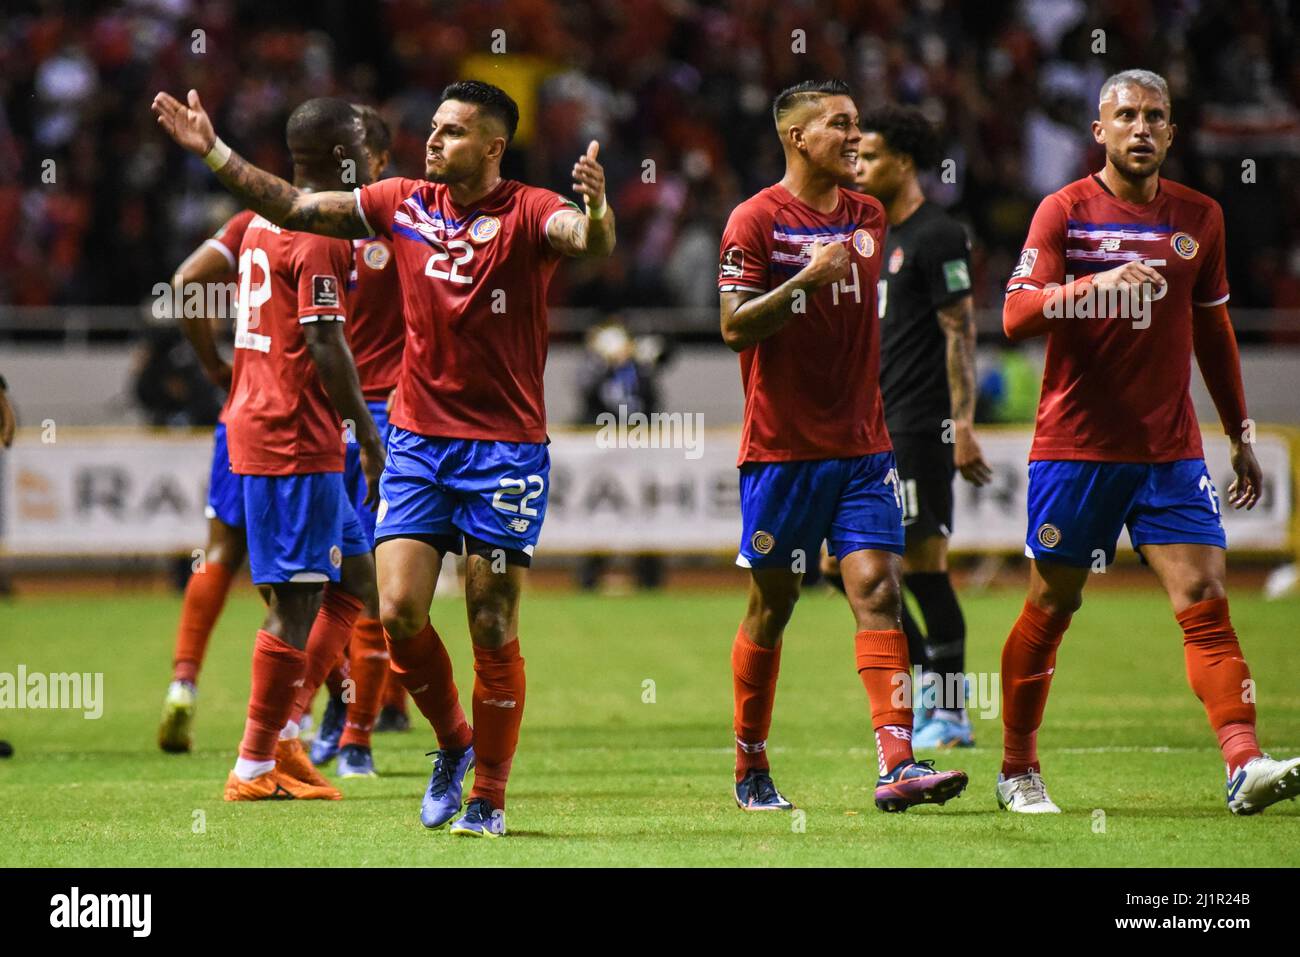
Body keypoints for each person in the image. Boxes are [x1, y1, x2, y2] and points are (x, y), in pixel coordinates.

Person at [153, 79, 615, 835]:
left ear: (493, 147)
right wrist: (212, 148)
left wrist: (598, 208)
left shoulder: (528, 210)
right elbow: (298, 208)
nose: (434, 140)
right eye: (434, 126)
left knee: (491, 622)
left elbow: (588, 240)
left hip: (503, 452)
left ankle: (488, 798)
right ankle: (453, 743)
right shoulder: (403, 200)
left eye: (454, 131)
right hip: (417, 441)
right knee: (397, 612)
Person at [997, 69, 1299, 815]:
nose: (1139, 128)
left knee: (1204, 594)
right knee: (1052, 601)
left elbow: (1213, 330)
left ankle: (1243, 760)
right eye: (1124, 115)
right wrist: (1091, 289)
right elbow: (1014, 315)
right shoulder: (1062, 211)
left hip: (1170, 451)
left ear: (1170, 131)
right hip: (1076, 447)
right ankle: (1017, 767)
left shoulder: (1201, 216)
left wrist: (1238, 432)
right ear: (1098, 130)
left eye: (1153, 116)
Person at [717, 79, 968, 814]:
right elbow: (733, 326)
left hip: (864, 447)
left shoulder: (868, 214)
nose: (855, 137)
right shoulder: (754, 219)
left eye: (858, 125)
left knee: (880, 590)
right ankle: (751, 763)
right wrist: (804, 280)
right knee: (773, 606)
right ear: (796, 137)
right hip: (782, 450)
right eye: (839, 125)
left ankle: (897, 761)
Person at [159, 95, 385, 801]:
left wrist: (225, 370)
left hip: (270, 420)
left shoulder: (261, 221)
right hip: (293, 431)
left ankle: (285, 733)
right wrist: (368, 432)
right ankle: (254, 763)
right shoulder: (317, 232)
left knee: (356, 581)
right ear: (341, 156)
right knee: (295, 600)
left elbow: (191, 282)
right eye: (361, 145)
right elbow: (324, 339)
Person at [849, 105, 991, 749]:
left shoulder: (936, 234)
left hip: (916, 426)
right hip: (866, 428)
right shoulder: (871, 235)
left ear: (903, 162)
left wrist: (961, 423)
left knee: (924, 567)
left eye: (869, 156)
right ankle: (928, 686)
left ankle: (950, 709)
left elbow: (960, 330)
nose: (857, 165)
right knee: (836, 564)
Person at [303, 103, 406, 779]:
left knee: (370, 581)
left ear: (378, 162)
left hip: (391, 419)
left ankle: (358, 735)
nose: (348, 160)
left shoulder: (410, 226)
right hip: (320, 418)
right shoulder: (314, 229)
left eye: (358, 150)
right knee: (314, 583)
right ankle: (337, 706)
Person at [156, 205, 255, 753]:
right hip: (314, 422)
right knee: (315, 577)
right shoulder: (347, 224)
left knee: (219, 553)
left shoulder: (249, 222)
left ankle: (183, 681)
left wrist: (214, 364)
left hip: (242, 410)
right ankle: (312, 718)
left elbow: (187, 281)